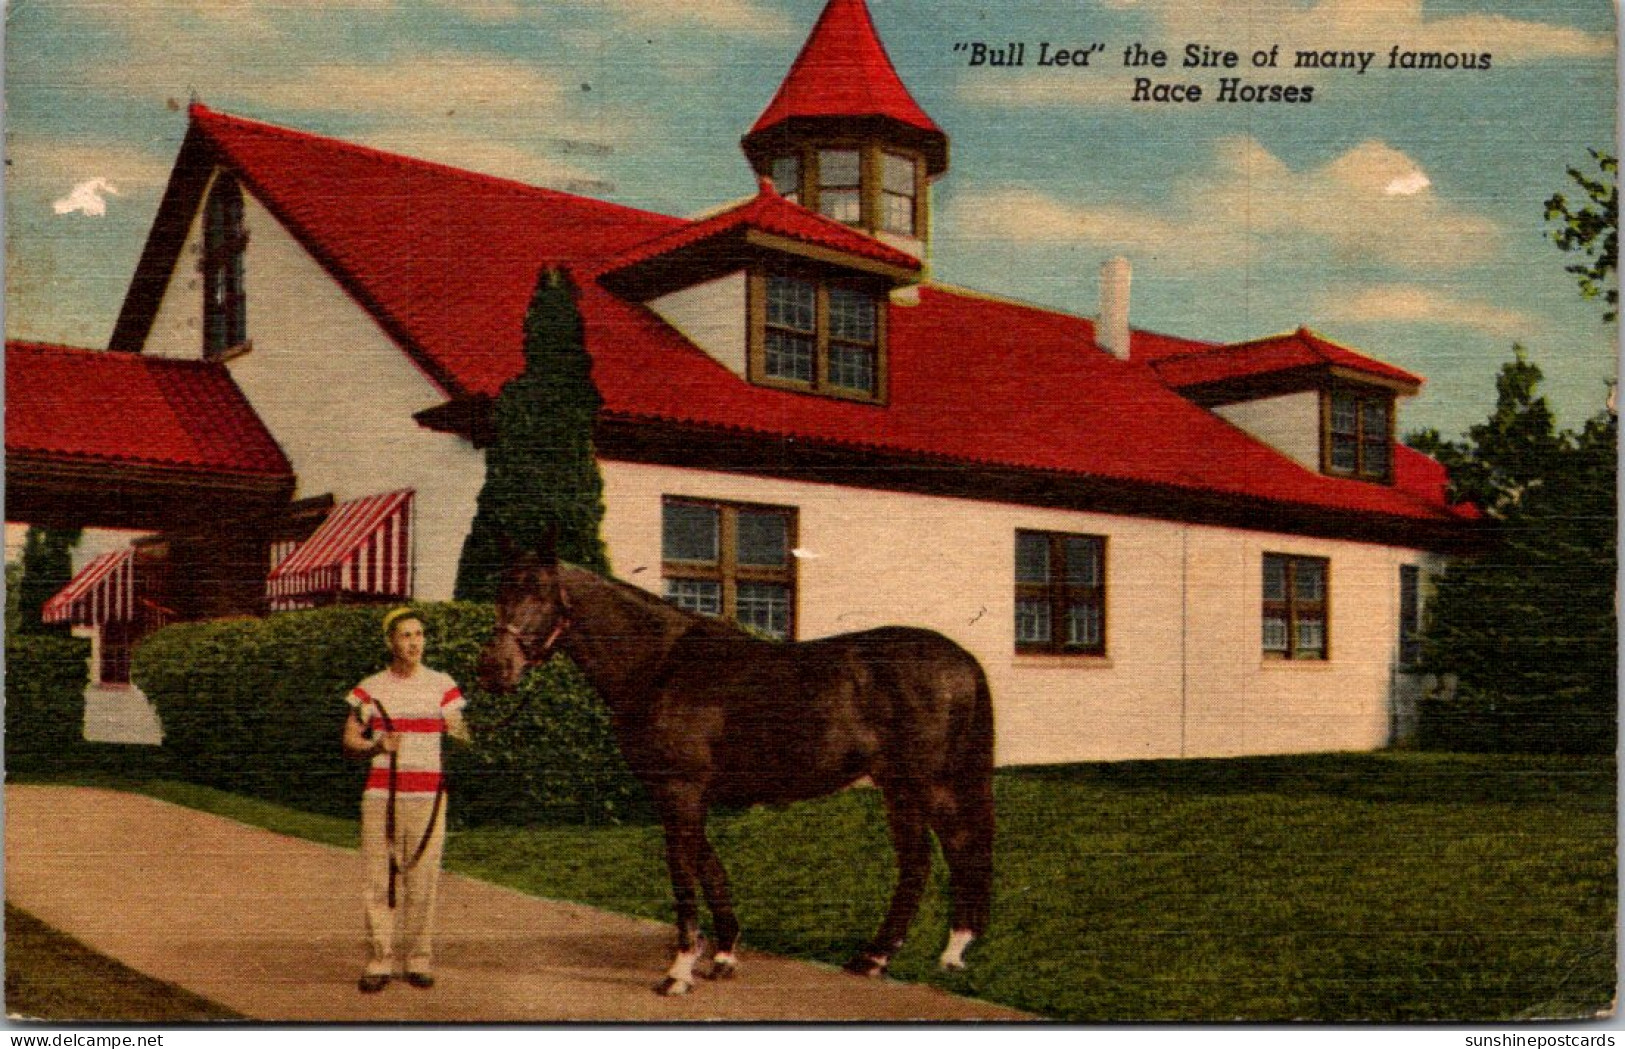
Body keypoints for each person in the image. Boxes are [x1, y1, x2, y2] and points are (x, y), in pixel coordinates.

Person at [342, 607, 470, 993]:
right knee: (379, 880)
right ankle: (379, 961)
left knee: (424, 879)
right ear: (390, 642)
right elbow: (349, 740)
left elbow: (461, 733)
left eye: (419, 635)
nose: (414, 642)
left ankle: (418, 960)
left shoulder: (442, 685)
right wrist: (376, 743)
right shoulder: (371, 687)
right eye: (406, 636)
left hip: (429, 797)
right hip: (383, 795)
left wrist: (460, 729)